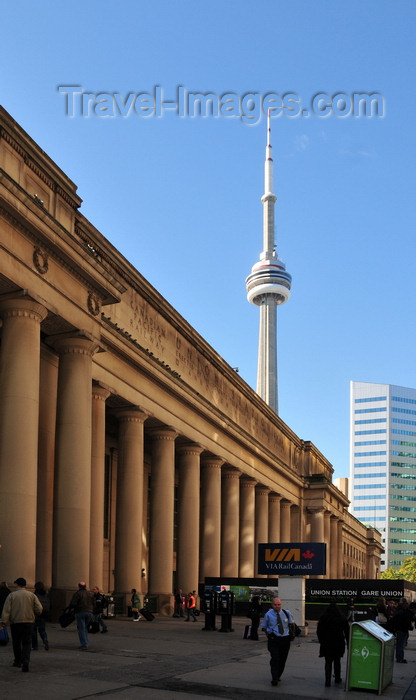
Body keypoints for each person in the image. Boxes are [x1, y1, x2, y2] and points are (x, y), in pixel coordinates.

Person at [0, 577, 43, 672]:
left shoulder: (12, 595)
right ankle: (26, 660)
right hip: (28, 622)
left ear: (17, 585)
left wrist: (3, 622)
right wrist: (35, 614)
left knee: (16, 642)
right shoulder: (31, 595)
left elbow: (6, 610)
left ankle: (18, 661)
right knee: (27, 642)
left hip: (16, 623)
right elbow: (39, 608)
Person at [261, 597, 294, 686]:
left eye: (279, 604)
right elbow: (264, 627)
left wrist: (291, 635)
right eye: (275, 605)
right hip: (274, 639)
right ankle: (274, 677)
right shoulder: (268, 614)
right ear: (272, 605)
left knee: (282, 659)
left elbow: (292, 624)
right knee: (275, 658)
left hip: (285, 639)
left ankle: (278, 674)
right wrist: (269, 636)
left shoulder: (287, 613)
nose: (277, 606)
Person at [317, 601, 349, 687]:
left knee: (328, 662)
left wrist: (321, 641)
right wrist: (349, 644)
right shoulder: (342, 618)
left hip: (327, 643)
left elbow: (319, 631)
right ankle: (337, 678)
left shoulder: (323, 618)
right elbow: (347, 632)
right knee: (337, 661)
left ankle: (327, 681)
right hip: (338, 643)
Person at [70, 581, 95, 650]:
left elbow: (73, 603)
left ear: (79, 587)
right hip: (89, 612)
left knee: (81, 628)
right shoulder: (90, 594)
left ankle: (84, 644)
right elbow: (94, 603)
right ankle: (86, 642)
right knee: (85, 628)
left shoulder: (78, 594)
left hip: (80, 612)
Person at [392, 599, 414, 663]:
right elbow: (406, 621)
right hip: (403, 629)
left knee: (399, 644)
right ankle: (400, 658)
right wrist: (410, 627)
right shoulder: (405, 612)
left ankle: (399, 657)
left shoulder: (398, 610)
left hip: (399, 629)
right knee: (401, 644)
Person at [31, 581, 50, 651]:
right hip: (43, 615)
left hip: (35, 615)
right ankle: (45, 639)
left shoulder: (34, 595)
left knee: (33, 631)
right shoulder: (46, 595)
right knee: (42, 630)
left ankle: (34, 646)